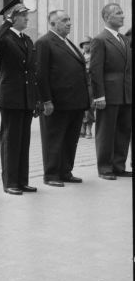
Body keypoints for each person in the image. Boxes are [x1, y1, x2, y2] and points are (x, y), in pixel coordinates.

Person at [0, 0, 38, 196]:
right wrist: (7, 21)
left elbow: (32, 71)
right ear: (13, 17)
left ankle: (21, 180)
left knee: (23, 140)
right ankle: (10, 182)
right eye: (23, 15)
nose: (27, 19)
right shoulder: (5, 38)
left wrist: (35, 99)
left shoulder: (26, 39)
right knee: (11, 140)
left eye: (27, 15)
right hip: (10, 97)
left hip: (26, 97)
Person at [35, 10, 89, 187]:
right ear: (52, 23)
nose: (69, 23)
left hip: (74, 101)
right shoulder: (44, 42)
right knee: (54, 138)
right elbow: (41, 74)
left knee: (70, 139)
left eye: (69, 19)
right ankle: (51, 174)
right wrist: (46, 100)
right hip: (57, 102)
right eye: (64, 20)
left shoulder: (68, 42)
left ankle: (65, 171)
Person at [89, 3, 132, 179]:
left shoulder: (125, 39)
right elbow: (95, 70)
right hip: (109, 94)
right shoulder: (100, 39)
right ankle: (105, 167)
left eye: (122, 13)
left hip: (126, 93)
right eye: (118, 13)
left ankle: (118, 165)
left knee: (123, 130)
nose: (123, 16)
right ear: (107, 17)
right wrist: (99, 95)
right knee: (106, 132)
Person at [79, 36, 95, 138]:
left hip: (91, 83)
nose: (85, 46)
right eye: (84, 44)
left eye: (88, 43)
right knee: (81, 105)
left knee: (90, 106)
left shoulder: (95, 56)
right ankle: (82, 127)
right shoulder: (80, 56)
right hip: (81, 84)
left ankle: (89, 128)